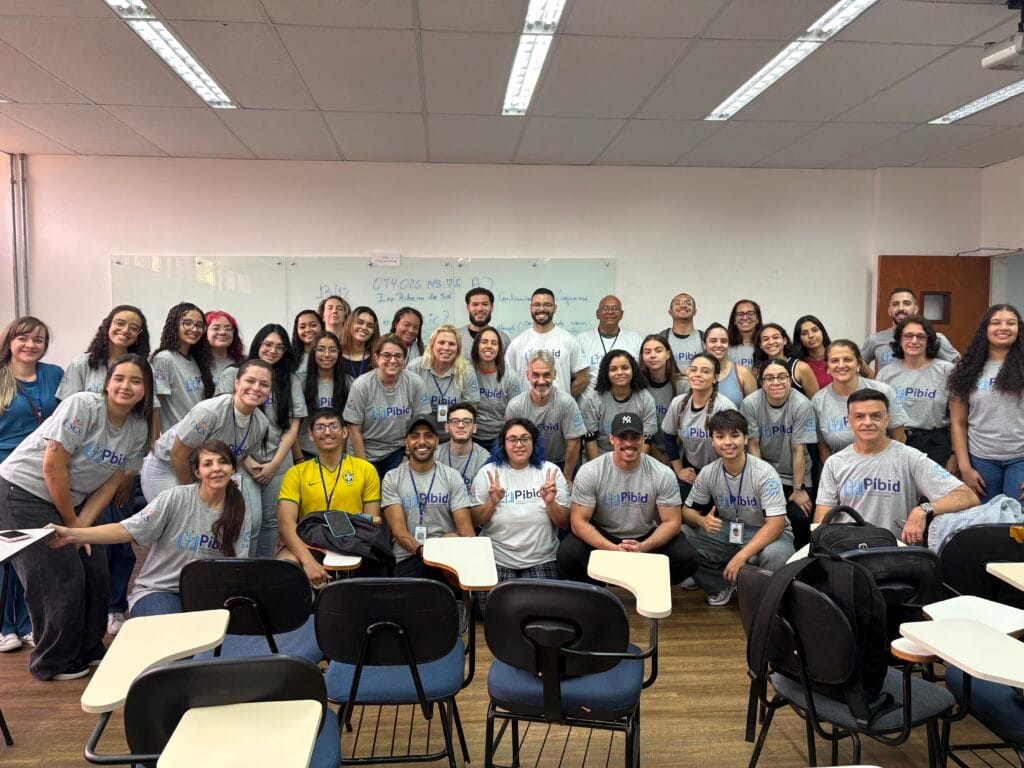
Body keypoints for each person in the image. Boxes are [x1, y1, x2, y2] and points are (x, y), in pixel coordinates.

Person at [0, 353, 153, 680]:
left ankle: (86, 648)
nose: (126, 386)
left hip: (72, 504)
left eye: (136, 381)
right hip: (24, 492)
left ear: (146, 390)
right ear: (107, 382)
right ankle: (53, 661)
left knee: (96, 569)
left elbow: (111, 481)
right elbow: (52, 467)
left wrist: (81, 528)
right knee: (60, 574)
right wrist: (72, 524)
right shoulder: (83, 405)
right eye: (119, 378)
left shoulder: (138, 428)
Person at [46, 439, 250, 617]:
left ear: (233, 468)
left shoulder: (240, 510)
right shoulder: (176, 498)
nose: (216, 468)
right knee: (176, 637)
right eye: (208, 464)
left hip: (206, 594)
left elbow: (238, 567)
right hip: (159, 590)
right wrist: (74, 534)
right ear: (197, 472)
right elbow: (126, 530)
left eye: (223, 462)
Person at [57, 305, 152, 636]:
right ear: (107, 325)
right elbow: (65, 416)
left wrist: (129, 474)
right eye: (120, 323)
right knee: (88, 541)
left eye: (134, 327)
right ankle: (86, 610)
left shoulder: (144, 368)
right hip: (81, 474)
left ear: (140, 335)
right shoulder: (83, 364)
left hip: (119, 472)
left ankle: (115, 606)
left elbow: (145, 420)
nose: (126, 330)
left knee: (120, 541)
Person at [815, 389, 977, 543]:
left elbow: (968, 496)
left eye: (875, 416)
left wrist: (924, 509)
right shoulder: (835, 463)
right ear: (849, 421)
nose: (868, 422)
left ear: (887, 419)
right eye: (859, 417)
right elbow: (822, 520)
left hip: (895, 552)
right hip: (848, 551)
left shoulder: (910, 458)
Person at [556, 412, 699, 584]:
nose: (629, 443)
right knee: (568, 555)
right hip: (604, 535)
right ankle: (598, 587)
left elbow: (672, 522)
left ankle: (645, 584)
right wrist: (612, 548)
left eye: (635, 437)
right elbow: (578, 522)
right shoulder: (591, 471)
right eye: (622, 437)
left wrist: (643, 546)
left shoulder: (662, 473)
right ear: (611, 439)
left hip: (646, 536)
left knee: (687, 557)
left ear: (643, 439)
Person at [682, 410, 795, 606]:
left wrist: (741, 556)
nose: (727, 442)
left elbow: (776, 524)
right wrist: (701, 520)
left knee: (776, 554)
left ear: (745, 438)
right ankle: (721, 584)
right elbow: (686, 512)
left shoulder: (765, 473)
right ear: (712, 441)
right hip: (728, 530)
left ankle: (763, 599)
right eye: (720, 437)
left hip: (765, 531)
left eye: (734, 435)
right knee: (681, 536)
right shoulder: (708, 472)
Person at [0, 317, 62, 654]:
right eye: (23, 338)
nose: (31, 345)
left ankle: (28, 624)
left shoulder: (54, 375)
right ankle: (4, 626)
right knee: (5, 549)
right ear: (10, 341)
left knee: (32, 550)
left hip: (41, 473)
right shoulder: (1, 376)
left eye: (39, 340)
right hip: (3, 472)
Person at [217, 325, 306, 557]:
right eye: (268, 344)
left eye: (279, 347)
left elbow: (292, 427)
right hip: (242, 461)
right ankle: (249, 569)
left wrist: (275, 464)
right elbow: (225, 422)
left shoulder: (290, 380)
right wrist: (248, 461)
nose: (273, 351)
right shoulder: (233, 374)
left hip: (279, 461)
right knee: (251, 521)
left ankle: (266, 568)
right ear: (258, 343)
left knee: (271, 522)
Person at [140, 359, 272, 504]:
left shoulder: (261, 424)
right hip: (167, 466)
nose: (256, 388)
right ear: (237, 383)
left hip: (200, 472)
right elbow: (177, 455)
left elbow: (237, 461)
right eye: (250, 381)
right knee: (185, 512)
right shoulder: (210, 412)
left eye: (264, 384)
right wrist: (194, 497)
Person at [471, 418, 570, 611]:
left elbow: (565, 522)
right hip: (498, 557)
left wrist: (550, 502)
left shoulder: (550, 471)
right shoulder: (488, 473)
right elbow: (474, 520)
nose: (519, 445)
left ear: (534, 442)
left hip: (540, 558)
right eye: (512, 439)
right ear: (504, 443)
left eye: (525, 439)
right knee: (491, 611)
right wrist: (492, 502)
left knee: (541, 612)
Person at [277, 409, 381, 585]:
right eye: (320, 427)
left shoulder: (365, 469)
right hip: (310, 543)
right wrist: (309, 562)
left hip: (351, 543)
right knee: (286, 564)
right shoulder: (296, 473)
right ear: (311, 435)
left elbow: (371, 522)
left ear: (345, 432)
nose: (327, 432)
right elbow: (285, 523)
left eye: (333, 426)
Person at [948, 304, 1024, 503]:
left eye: (1011, 323)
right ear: (985, 329)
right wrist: (965, 467)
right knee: (983, 518)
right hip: (981, 459)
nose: (1003, 328)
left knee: (1017, 519)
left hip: (1020, 459)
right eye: (996, 322)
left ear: (1019, 329)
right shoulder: (967, 369)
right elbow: (958, 423)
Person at [381, 417, 475, 577]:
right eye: (415, 436)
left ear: (437, 442)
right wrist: (424, 551)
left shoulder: (452, 476)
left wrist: (471, 563)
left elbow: (466, 529)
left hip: (446, 557)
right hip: (408, 557)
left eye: (428, 436)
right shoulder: (392, 478)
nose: (422, 441)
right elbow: (399, 531)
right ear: (406, 443)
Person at [741, 359, 817, 548]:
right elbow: (753, 446)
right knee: (762, 514)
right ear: (762, 382)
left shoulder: (802, 404)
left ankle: (799, 561)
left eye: (782, 377)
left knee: (800, 516)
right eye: (769, 378)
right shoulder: (751, 403)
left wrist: (799, 489)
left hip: (795, 474)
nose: (776, 382)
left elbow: (798, 448)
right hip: (765, 471)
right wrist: (760, 485)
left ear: (790, 380)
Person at [344, 334, 430, 480]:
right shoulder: (361, 385)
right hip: (365, 449)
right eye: (387, 355)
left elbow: (420, 424)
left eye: (398, 356)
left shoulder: (415, 383)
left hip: (397, 450)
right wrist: (364, 466)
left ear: (404, 360)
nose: (393, 360)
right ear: (377, 358)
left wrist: (408, 455)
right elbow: (354, 429)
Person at [877, 315, 955, 468]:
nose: (914, 341)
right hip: (897, 443)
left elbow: (959, 418)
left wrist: (955, 454)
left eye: (920, 336)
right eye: (908, 336)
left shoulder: (946, 371)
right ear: (900, 340)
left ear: (928, 341)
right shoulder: (886, 374)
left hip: (936, 445)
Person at [811, 339, 908, 462]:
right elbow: (822, 448)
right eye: (835, 361)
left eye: (848, 359)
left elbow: (899, 438)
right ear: (827, 367)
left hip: (882, 465)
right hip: (841, 469)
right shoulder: (818, 401)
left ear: (858, 364)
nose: (841, 365)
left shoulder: (883, 391)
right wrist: (834, 472)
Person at [504, 351, 585, 482]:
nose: (541, 381)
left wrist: (567, 477)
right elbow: (510, 442)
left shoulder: (567, 404)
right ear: (527, 375)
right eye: (535, 375)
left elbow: (574, 442)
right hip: (527, 464)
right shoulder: (515, 406)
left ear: (554, 374)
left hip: (560, 464)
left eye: (546, 375)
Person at [662, 352, 736, 495]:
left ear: (715, 378)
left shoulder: (724, 407)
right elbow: (669, 437)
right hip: (691, 471)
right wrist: (679, 470)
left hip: (720, 472)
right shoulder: (678, 403)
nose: (698, 374)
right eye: (693, 369)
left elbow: (733, 447)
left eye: (705, 371)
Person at [505, 288, 589, 398]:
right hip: (526, 407)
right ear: (531, 308)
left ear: (555, 308)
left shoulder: (569, 341)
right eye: (536, 305)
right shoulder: (517, 343)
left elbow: (583, 378)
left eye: (547, 305)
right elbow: (507, 379)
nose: (541, 309)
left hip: (560, 408)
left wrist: (564, 398)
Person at [150, 302, 214, 433]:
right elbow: (155, 407)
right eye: (188, 323)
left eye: (199, 325)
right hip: (173, 439)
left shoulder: (195, 360)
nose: (195, 329)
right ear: (175, 325)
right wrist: (156, 442)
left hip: (196, 437)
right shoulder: (164, 359)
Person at [580, 350, 657, 458]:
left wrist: (636, 464)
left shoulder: (646, 399)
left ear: (633, 370)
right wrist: (597, 467)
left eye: (625, 368)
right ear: (606, 373)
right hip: (602, 456)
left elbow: (647, 440)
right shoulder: (593, 399)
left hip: (634, 455)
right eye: (613, 369)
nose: (620, 372)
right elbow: (590, 440)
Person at [863, 288, 959, 371]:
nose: (901, 308)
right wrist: (873, 380)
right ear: (889, 311)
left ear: (915, 309)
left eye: (906, 303)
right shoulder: (875, 339)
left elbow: (959, 369)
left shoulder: (935, 338)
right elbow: (857, 365)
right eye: (895, 304)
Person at [407, 325, 481, 433]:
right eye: (441, 342)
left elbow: (471, 407)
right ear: (432, 345)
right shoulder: (414, 367)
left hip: (453, 432)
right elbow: (407, 404)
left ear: (458, 349)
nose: (446, 348)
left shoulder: (466, 370)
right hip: (421, 431)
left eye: (452, 344)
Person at [575, 294, 642, 397]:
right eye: (605, 308)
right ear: (597, 314)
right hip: (588, 402)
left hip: (625, 402)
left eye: (615, 308)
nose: (610, 312)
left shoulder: (635, 339)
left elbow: (641, 373)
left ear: (621, 314)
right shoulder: (581, 339)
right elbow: (575, 376)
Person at [296, 331, 348, 459]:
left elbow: (350, 426)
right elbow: (291, 428)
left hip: (338, 453)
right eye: (321, 349)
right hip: (306, 452)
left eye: (333, 350)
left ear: (339, 353)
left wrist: (341, 456)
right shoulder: (300, 383)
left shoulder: (349, 384)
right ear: (313, 353)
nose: (327, 354)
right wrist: (299, 459)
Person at [470, 326, 521, 450]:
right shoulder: (467, 372)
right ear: (477, 346)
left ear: (499, 349)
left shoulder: (511, 377)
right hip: (469, 436)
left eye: (494, 343)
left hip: (498, 438)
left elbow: (516, 414)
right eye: (484, 342)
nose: (489, 346)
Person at [638, 333, 684, 466]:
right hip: (647, 450)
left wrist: (670, 455)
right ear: (642, 357)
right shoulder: (637, 387)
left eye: (658, 351)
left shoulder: (683, 385)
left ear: (668, 354)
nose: (653, 355)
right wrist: (657, 455)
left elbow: (686, 424)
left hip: (680, 453)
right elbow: (639, 427)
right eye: (647, 352)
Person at [435, 403, 490, 493]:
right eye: (455, 421)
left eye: (467, 422)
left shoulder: (485, 459)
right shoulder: (435, 455)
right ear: (447, 427)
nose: (460, 425)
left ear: (474, 428)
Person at [753, 323, 819, 397]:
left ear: (784, 341)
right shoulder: (757, 370)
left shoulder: (801, 368)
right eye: (765, 339)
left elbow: (816, 400)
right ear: (760, 345)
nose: (771, 342)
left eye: (776, 337)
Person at [703, 322, 755, 407]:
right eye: (713, 341)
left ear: (728, 345)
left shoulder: (743, 373)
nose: (719, 345)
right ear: (704, 345)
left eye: (723, 341)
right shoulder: (694, 374)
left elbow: (754, 409)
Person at [458, 287, 510, 360]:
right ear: (468, 308)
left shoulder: (502, 339)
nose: (480, 309)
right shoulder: (456, 337)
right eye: (475, 304)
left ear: (491, 307)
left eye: (485, 304)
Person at [660, 293, 703, 370]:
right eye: (677, 303)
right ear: (670, 312)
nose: (683, 306)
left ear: (695, 312)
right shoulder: (661, 338)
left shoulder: (705, 338)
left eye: (688, 303)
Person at [340, 306, 380, 384]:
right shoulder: (335, 353)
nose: (364, 327)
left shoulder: (377, 358)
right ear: (349, 323)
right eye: (359, 322)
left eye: (370, 326)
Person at [205, 310, 244, 378]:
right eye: (216, 328)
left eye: (228, 329)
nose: (223, 332)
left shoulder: (244, 363)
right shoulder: (194, 362)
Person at [726, 299, 762, 369]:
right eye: (740, 314)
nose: (745, 318)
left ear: (757, 319)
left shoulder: (765, 346)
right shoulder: (725, 346)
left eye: (750, 313)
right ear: (734, 320)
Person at [289, 309, 323, 381]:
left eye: (313, 325)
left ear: (322, 326)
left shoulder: (329, 354)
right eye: (302, 327)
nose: (308, 330)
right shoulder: (289, 357)